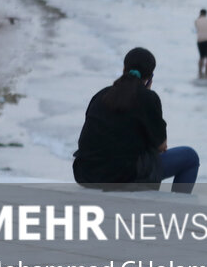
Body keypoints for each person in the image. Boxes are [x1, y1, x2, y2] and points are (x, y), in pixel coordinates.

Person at [72, 47, 200, 193]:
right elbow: (161, 146)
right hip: (123, 178)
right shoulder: (148, 98)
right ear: (150, 77)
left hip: (86, 174)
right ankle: (178, 205)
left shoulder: (101, 95)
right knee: (190, 157)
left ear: (124, 69)